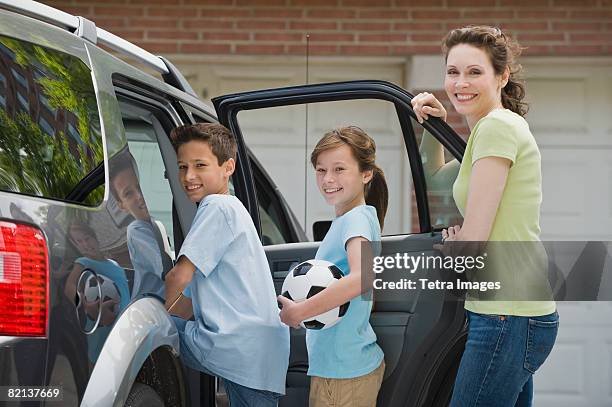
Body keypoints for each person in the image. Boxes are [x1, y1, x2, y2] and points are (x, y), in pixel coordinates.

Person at [410, 25, 558, 406]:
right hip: (507, 313)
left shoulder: (497, 128)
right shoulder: (486, 131)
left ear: (502, 76)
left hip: (507, 315)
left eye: (475, 72)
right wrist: (434, 126)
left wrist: (454, 246)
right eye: (453, 72)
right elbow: (437, 182)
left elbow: (474, 238)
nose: (461, 82)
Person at [164, 123, 289, 407]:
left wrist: (154, 317)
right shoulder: (233, 207)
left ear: (228, 167)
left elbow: (179, 276)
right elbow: (190, 299)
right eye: (182, 167)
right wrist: (170, 315)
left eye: (200, 165)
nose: (189, 176)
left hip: (238, 348)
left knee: (150, 330)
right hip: (256, 349)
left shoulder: (216, 207)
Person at [278, 126, 386, 407]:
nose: (328, 179)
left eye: (339, 169)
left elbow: (363, 278)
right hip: (340, 366)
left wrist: (299, 312)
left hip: (343, 372)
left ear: (366, 173)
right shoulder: (352, 218)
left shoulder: (355, 221)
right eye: (320, 170)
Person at [109, 153, 172, 299]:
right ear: (121, 205)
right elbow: (169, 271)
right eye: (129, 194)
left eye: (139, 186)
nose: (139, 195)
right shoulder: (137, 230)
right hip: (155, 314)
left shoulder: (156, 224)